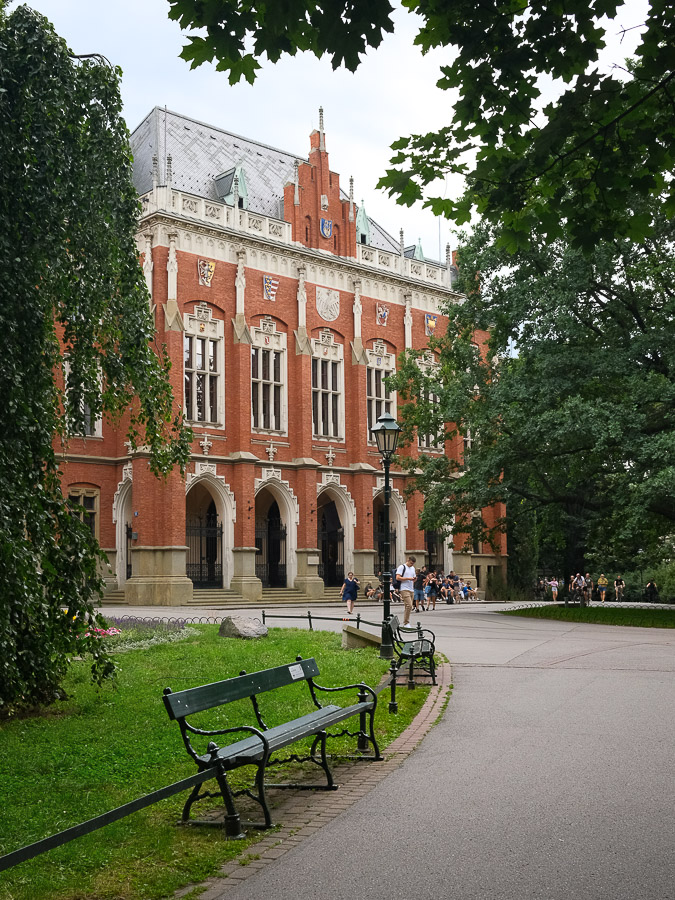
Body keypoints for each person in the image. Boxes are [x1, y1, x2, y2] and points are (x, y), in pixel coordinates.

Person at [395, 555, 416, 625]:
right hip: (404, 588)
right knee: (409, 605)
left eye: (413, 563)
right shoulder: (402, 567)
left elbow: (413, 577)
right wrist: (408, 578)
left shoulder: (413, 568)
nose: (412, 565)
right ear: (408, 560)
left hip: (411, 589)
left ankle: (405, 622)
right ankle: (406, 622)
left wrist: (414, 579)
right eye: (411, 563)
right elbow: (397, 577)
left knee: (407, 606)